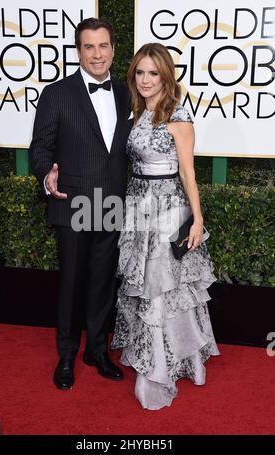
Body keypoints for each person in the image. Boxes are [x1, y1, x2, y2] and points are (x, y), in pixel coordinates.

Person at [111, 43, 220, 410]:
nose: (145, 79)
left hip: (168, 210)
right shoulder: (138, 112)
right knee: (145, 285)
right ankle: (161, 357)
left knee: (162, 288)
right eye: (139, 72)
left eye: (152, 73)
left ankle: (160, 369)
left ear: (165, 76)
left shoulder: (179, 115)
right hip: (137, 208)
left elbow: (189, 173)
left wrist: (198, 219)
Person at [30, 18, 132, 390]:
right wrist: (46, 175)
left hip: (112, 202)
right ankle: (67, 356)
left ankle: (98, 352)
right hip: (71, 201)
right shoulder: (57, 93)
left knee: (104, 283)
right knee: (72, 283)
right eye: (89, 47)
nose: (97, 54)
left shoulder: (124, 93)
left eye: (103, 46)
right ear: (78, 51)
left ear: (113, 50)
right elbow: (40, 147)